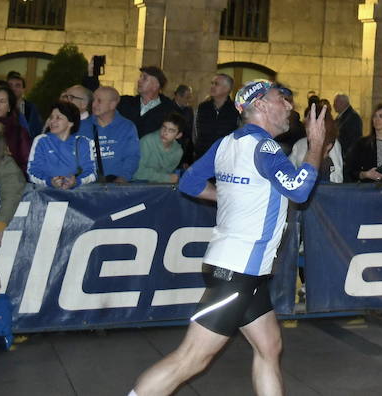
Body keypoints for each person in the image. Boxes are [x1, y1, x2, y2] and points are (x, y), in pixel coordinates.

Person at [128, 81, 328, 396]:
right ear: (260, 105)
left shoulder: (226, 143)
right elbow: (300, 190)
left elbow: (190, 181)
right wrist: (316, 145)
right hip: (237, 272)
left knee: (270, 346)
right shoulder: (266, 148)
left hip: (239, 269)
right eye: (282, 100)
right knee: (191, 359)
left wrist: (226, 196)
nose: (290, 106)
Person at [26, 102, 96, 189]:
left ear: (71, 123)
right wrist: (50, 182)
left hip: (77, 197)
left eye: (58, 118)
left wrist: (76, 182)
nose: (52, 121)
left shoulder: (83, 142)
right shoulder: (41, 141)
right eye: (51, 117)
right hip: (46, 196)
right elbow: (32, 172)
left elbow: (91, 173)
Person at [86, 86, 140, 183]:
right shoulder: (83, 126)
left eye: (99, 101)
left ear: (112, 104)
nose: (94, 104)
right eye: (93, 100)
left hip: (115, 186)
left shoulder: (127, 127)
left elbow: (132, 157)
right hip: (87, 187)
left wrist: (123, 178)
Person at [119, 66, 180, 138]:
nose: (139, 81)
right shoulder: (125, 103)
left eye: (144, 78)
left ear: (156, 85)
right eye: (140, 77)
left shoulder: (169, 110)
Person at [195, 74, 240, 157]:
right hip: (203, 155)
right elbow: (195, 132)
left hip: (225, 156)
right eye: (212, 83)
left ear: (227, 89)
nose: (212, 86)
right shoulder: (203, 107)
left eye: (216, 84)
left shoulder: (236, 109)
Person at [135, 112, 187, 183]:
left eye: (171, 130)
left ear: (178, 135)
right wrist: (166, 178)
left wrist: (167, 178)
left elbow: (167, 173)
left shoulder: (178, 152)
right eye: (164, 127)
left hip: (158, 186)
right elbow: (136, 172)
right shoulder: (147, 141)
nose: (165, 132)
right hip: (137, 183)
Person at [4, 70, 42, 137]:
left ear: (23, 89)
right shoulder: (1, 106)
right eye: (10, 85)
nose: (13, 88)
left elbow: (37, 131)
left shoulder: (32, 108)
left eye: (17, 85)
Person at [332, 93, 363, 164]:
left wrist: (346, 157)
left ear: (343, 103)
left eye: (335, 102)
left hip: (346, 157)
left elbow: (354, 140)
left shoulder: (353, 117)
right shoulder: (342, 116)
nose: (333, 105)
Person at [172, 84, 196, 164]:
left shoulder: (189, 110)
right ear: (178, 96)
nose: (189, 100)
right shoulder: (168, 108)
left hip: (185, 150)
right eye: (187, 97)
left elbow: (189, 132)